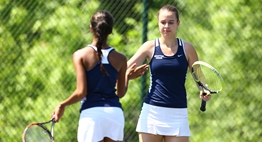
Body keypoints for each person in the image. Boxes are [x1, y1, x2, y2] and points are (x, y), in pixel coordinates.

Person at [51, 10, 148, 142]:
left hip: (92, 116)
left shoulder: (80, 55)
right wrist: (126, 77)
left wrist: (62, 105)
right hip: (114, 114)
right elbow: (120, 93)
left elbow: (81, 92)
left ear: (91, 28)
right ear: (111, 30)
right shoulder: (120, 58)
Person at [127, 5, 211, 142]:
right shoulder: (149, 47)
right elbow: (125, 68)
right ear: (158, 23)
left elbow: (199, 76)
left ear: (178, 23)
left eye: (171, 22)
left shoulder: (187, 48)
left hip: (178, 114)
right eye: (163, 22)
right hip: (152, 113)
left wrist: (204, 89)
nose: (166, 26)